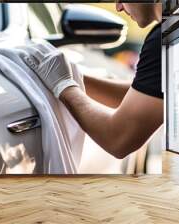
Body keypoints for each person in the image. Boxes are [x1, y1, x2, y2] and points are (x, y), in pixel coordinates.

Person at [24, 3, 162, 159]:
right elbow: (143, 95)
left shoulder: (164, 39)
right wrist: (71, 77)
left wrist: (64, 86)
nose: (118, 7)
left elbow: (118, 138)